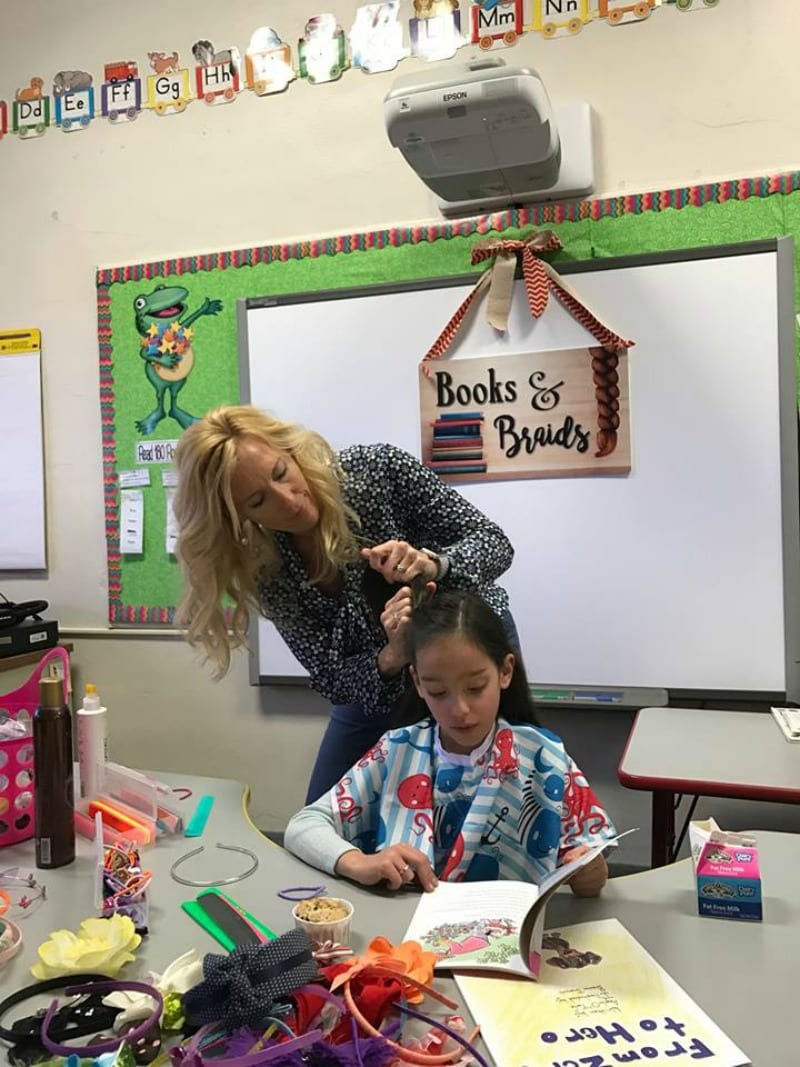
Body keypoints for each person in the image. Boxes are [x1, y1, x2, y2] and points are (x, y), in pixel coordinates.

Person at [172, 405, 516, 801]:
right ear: (239, 518)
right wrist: (393, 655)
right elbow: (332, 676)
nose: (289, 502)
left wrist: (434, 564)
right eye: (259, 500)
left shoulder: (377, 470)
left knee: (495, 797)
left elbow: (494, 543)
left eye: (282, 473)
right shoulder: (267, 566)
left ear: (291, 451)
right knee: (322, 814)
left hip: (467, 653)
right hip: (379, 679)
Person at [284, 590, 616, 895]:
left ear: (505, 671)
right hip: (408, 944)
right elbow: (303, 826)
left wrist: (590, 874)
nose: (459, 710)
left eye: (475, 688)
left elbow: (591, 870)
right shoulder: (397, 750)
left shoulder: (544, 758)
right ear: (417, 682)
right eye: (439, 692)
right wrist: (358, 861)